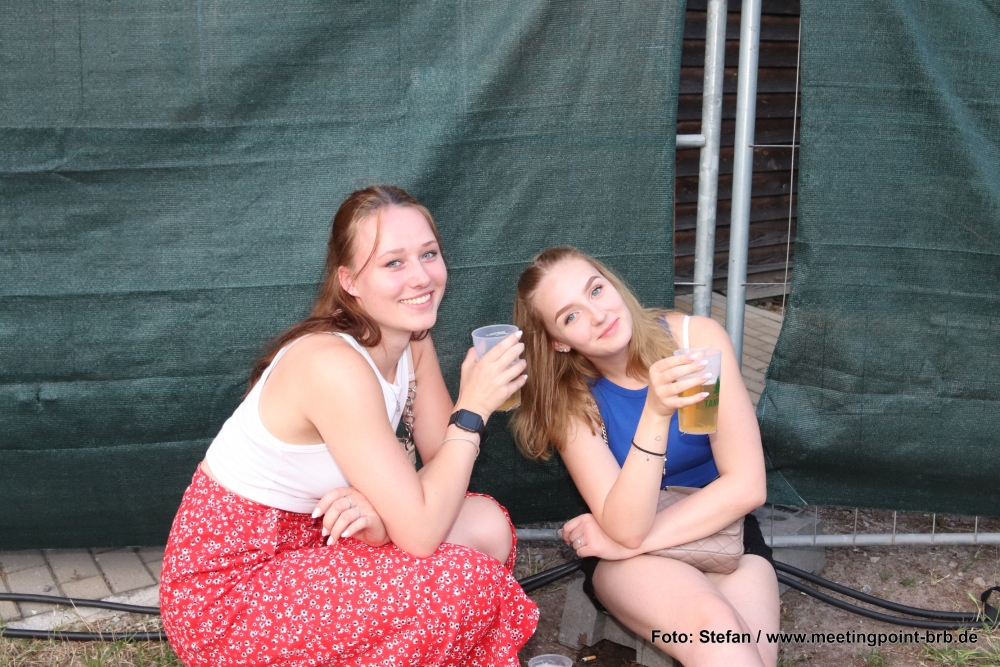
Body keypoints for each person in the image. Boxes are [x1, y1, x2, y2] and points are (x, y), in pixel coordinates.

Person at [159, 185, 537, 667]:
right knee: (463, 583)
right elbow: (422, 531)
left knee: (486, 524)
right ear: (350, 280)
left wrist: (380, 514)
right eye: (393, 263)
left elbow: (443, 466)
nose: (421, 277)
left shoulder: (412, 339)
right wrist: (472, 410)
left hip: (319, 543)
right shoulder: (332, 365)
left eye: (429, 254)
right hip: (232, 594)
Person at [511, 247, 779, 667]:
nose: (598, 314)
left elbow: (747, 486)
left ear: (614, 285)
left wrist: (619, 545)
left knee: (748, 654)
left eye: (596, 290)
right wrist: (655, 412)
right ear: (557, 342)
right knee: (717, 630)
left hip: (721, 531)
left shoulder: (695, 341)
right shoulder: (568, 400)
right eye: (571, 316)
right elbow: (627, 528)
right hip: (633, 554)